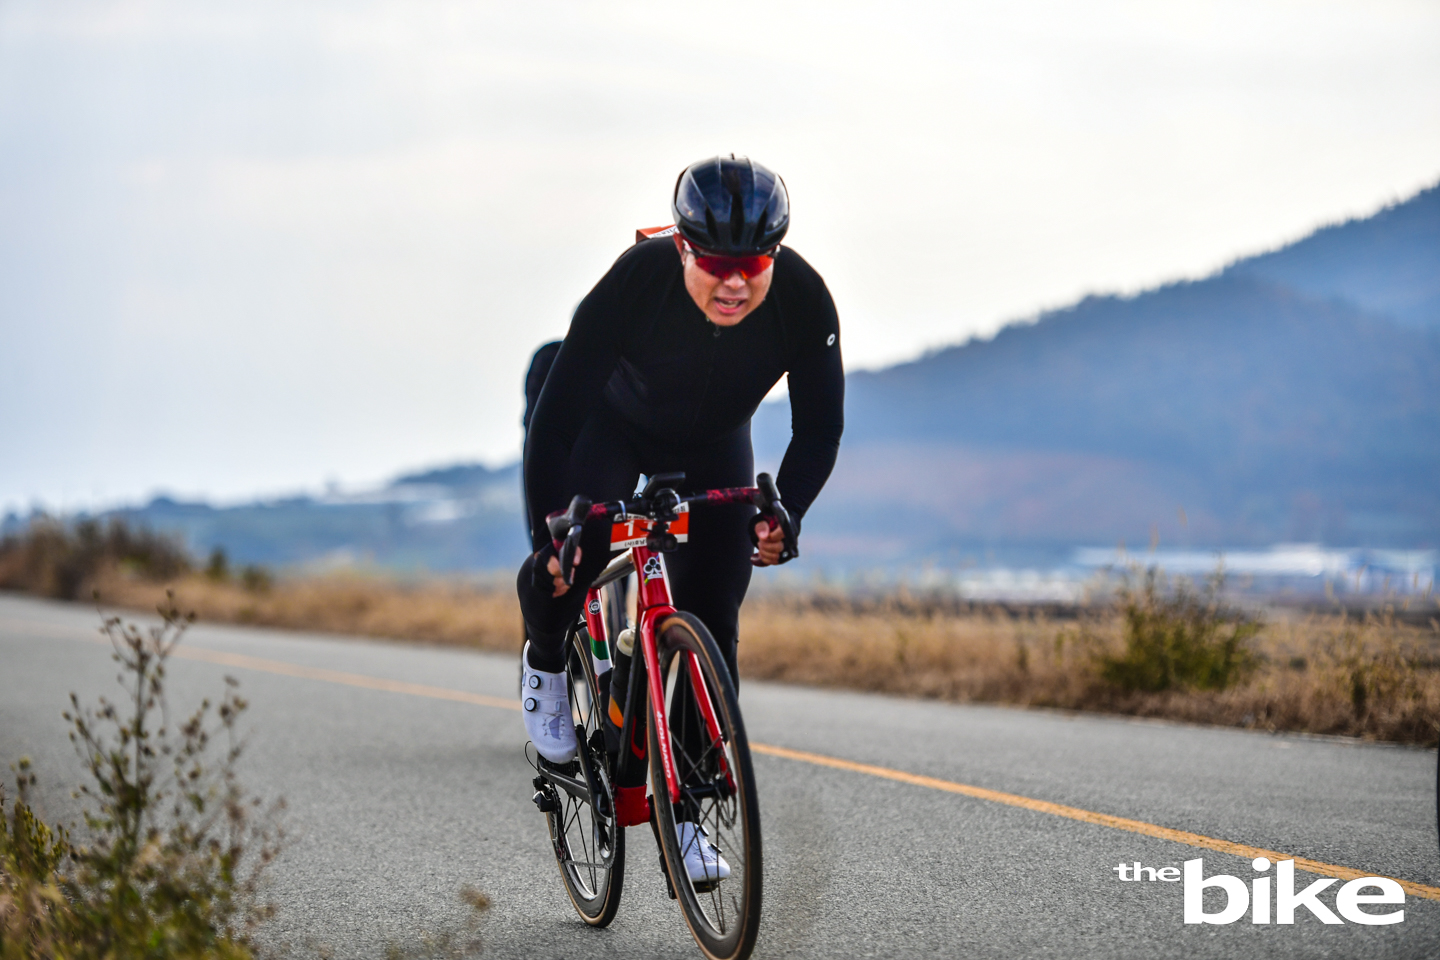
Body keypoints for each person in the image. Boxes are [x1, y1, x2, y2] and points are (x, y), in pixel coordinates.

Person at [516, 155, 844, 878]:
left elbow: (819, 430)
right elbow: (555, 422)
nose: (735, 283)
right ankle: (544, 659)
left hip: (713, 443)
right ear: (684, 248)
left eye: (753, 265)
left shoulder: (802, 297)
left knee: (714, 613)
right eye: (717, 265)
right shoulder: (638, 279)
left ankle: (690, 813)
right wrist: (551, 534)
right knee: (573, 556)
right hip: (610, 428)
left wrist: (786, 512)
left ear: (776, 254)